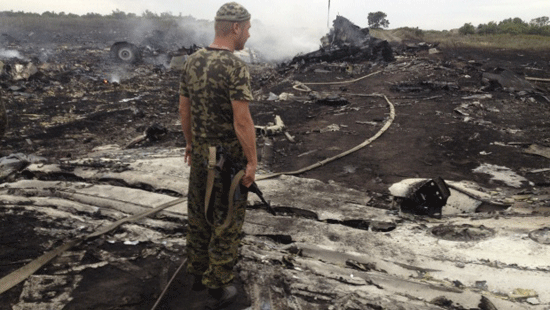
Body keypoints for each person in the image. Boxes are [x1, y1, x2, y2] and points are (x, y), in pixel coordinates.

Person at [178, 2, 256, 307]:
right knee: (226, 220)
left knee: (198, 214)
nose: (249, 34)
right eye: (247, 28)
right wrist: (251, 161)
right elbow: (242, 121)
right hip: (227, 161)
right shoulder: (236, 67)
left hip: (199, 153)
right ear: (235, 28)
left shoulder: (192, 61)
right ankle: (218, 286)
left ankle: (198, 274)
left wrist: (189, 143)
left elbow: (184, 109)